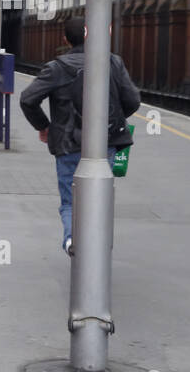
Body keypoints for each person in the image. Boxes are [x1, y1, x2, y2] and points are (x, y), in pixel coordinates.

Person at [19, 17, 140, 256]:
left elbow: (27, 99)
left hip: (67, 145)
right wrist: (109, 121)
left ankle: (73, 237)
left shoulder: (56, 67)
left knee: (69, 200)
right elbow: (133, 100)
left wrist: (45, 127)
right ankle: (98, 242)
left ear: (65, 39)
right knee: (99, 195)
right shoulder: (113, 63)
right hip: (104, 144)